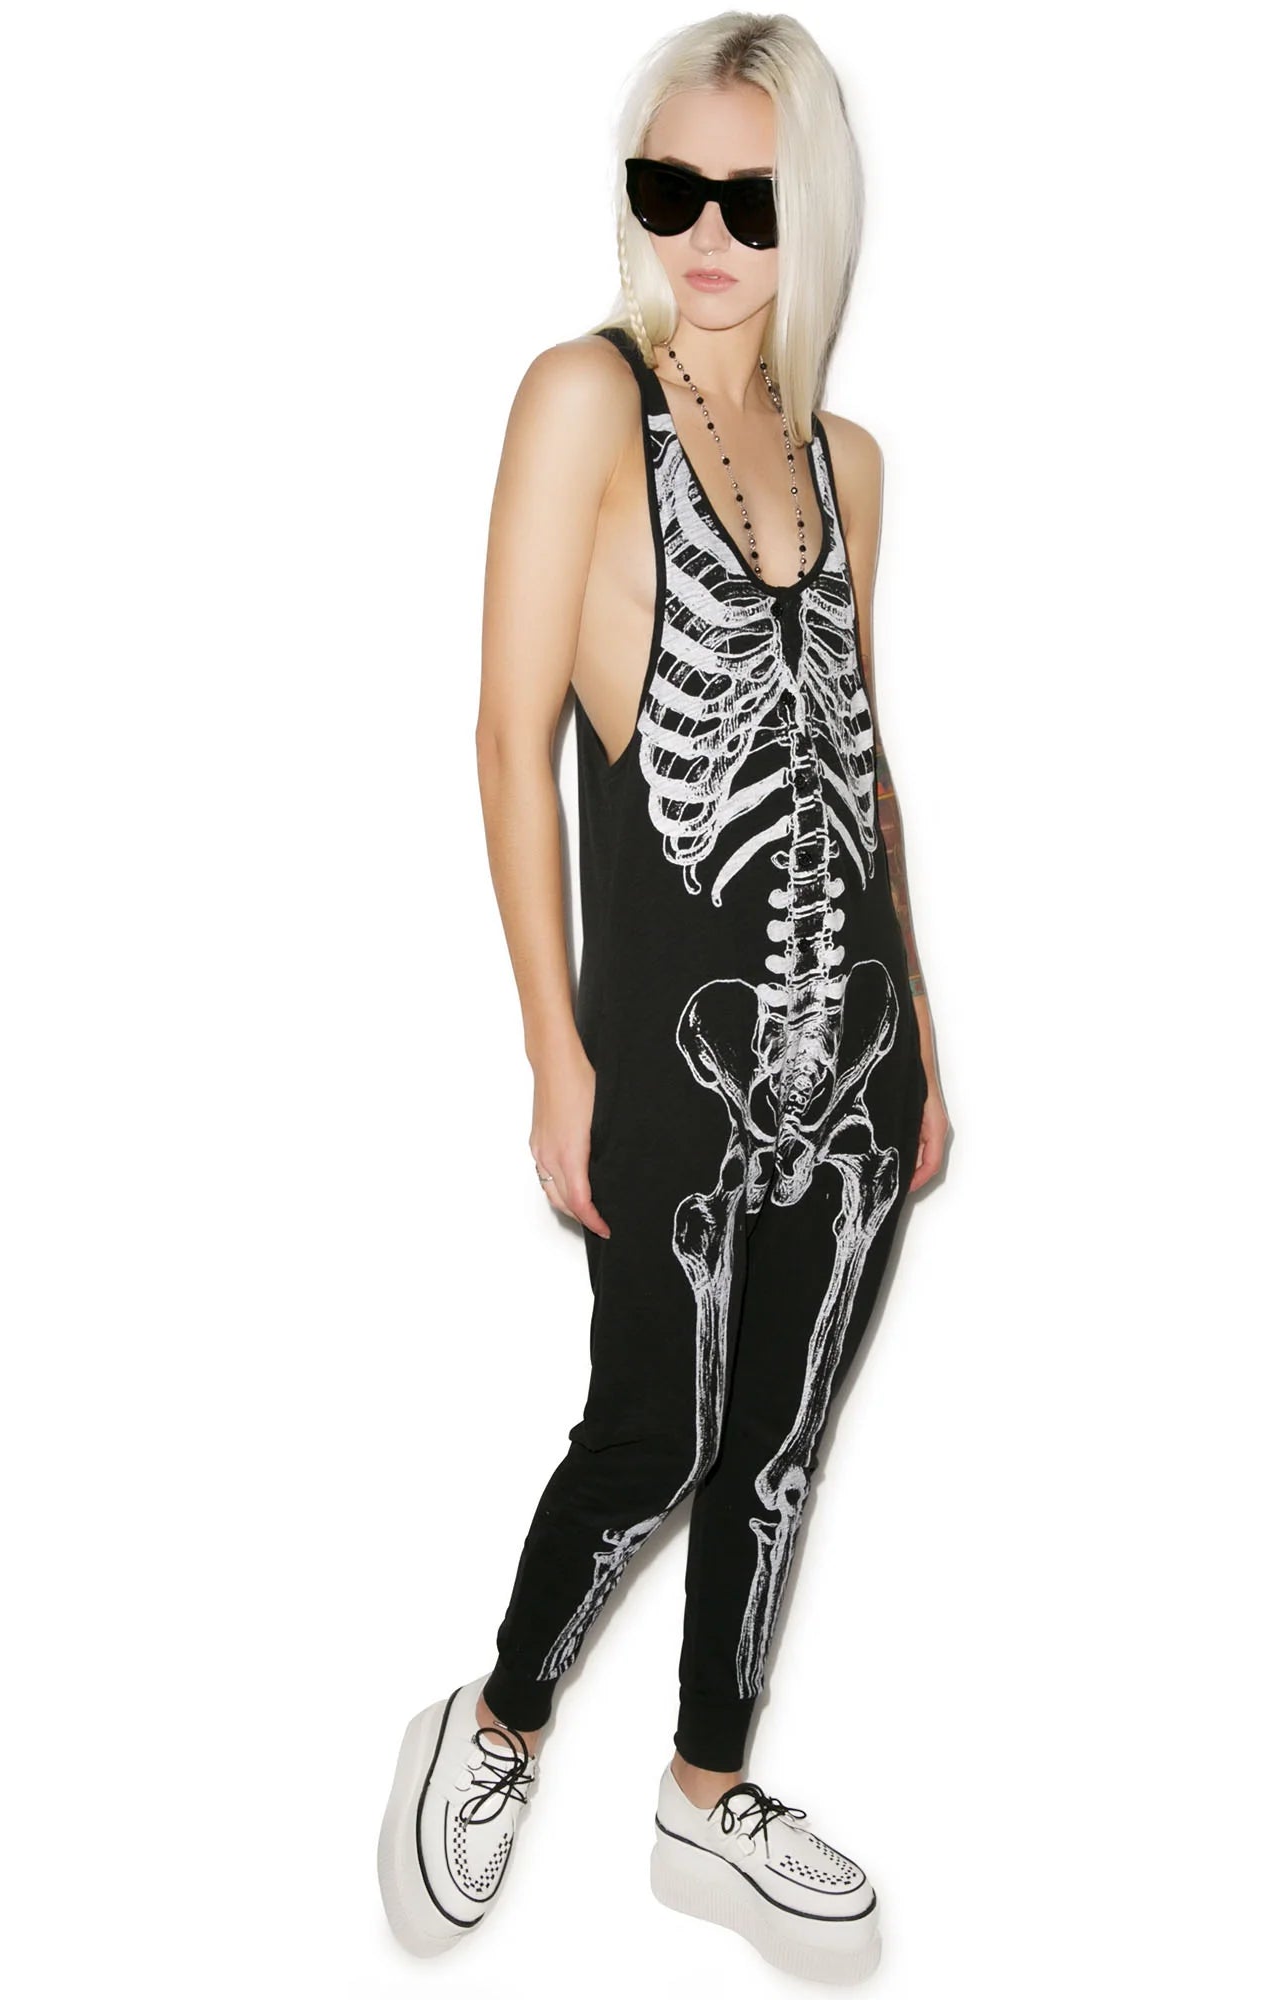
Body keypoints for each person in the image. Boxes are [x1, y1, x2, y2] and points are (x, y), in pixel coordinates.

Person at [377, 12, 949, 1981]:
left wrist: (922, 1045)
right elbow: (505, 734)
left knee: (778, 1443)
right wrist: (555, 1047)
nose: (706, 235)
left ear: (816, 215)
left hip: (857, 1053)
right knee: (652, 1430)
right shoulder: (580, 401)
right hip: (669, 1050)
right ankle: (496, 1725)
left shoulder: (845, 459)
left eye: (751, 201)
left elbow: (856, 766)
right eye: (669, 190)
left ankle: (708, 1796)